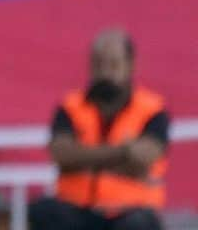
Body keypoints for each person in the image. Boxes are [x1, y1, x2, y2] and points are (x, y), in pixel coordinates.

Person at [29, 29, 169, 230]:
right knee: (43, 211)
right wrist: (123, 152)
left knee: (138, 224)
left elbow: (145, 157)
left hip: (130, 210)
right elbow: (60, 153)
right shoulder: (70, 106)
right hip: (77, 208)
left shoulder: (153, 109)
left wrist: (82, 158)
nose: (104, 72)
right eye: (98, 64)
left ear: (130, 65)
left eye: (113, 64)